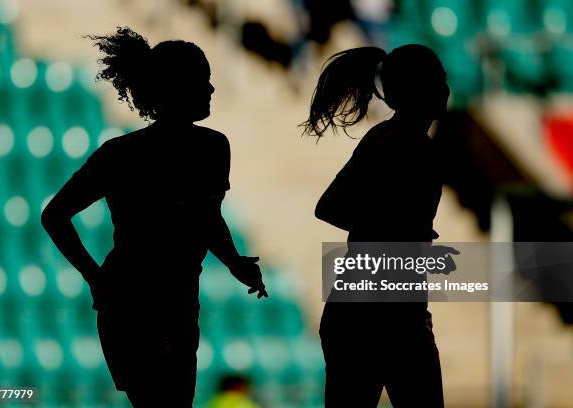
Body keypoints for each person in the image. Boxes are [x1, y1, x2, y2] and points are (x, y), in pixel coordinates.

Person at [41, 27, 268, 407]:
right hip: (138, 302)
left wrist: (234, 262)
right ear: (176, 88)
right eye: (202, 81)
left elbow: (205, 216)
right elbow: (55, 216)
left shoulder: (131, 152)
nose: (210, 90)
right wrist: (95, 279)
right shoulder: (208, 148)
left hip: (164, 299)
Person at [303, 44, 450, 407]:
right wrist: (397, 228)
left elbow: (331, 207)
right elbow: (330, 207)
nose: (446, 89)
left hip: (371, 310)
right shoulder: (404, 145)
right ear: (422, 89)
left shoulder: (387, 139)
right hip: (386, 313)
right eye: (439, 80)